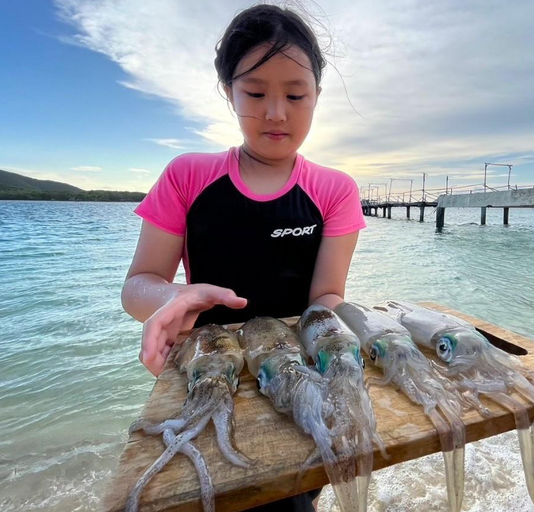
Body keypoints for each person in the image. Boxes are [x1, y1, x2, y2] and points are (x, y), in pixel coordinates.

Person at [121, 4, 365, 511]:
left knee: (293, 500)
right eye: (255, 93)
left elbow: (325, 300)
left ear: (317, 95)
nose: (276, 112)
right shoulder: (187, 175)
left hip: (295, 382)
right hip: (208, 377)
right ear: (229, 92)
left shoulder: (335, 190)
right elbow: (139, 285)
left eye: (295, 94)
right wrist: (178, 296)